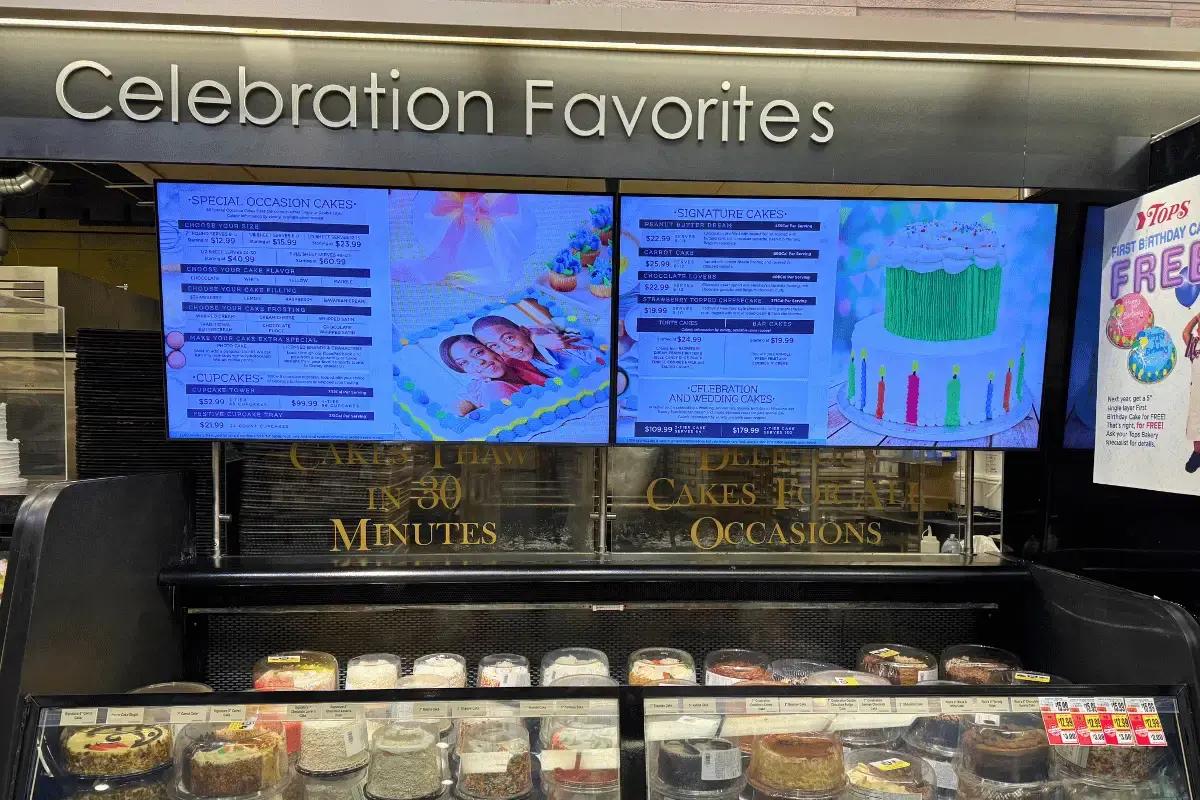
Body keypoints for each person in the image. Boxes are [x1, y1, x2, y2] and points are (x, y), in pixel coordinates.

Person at [439, 334, 545, 416]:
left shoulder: (516, 360)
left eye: (478, 353)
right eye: (464, 363)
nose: (478, 362)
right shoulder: (494, 390)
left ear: (491, 348)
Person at [472, 315, 602, 379]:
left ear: (523, 331)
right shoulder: (527, 362)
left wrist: (537, 335)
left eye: (509, 338)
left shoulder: (560, 339)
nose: (507, 348)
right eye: (494, 346)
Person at [1183, 312, 1200, 472]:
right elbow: (1185, 333)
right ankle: (1198, 453)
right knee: (1195, 424)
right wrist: (1195, 318)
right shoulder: (1195, 346)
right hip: (1197, 394)